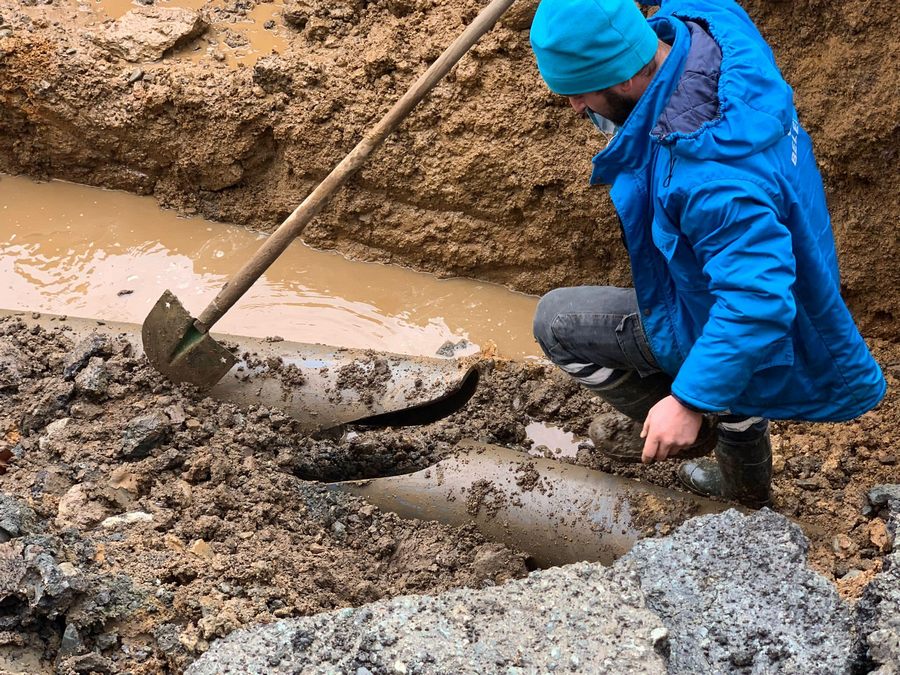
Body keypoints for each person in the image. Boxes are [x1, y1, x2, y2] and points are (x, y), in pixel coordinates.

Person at [528, 0, 886, 508]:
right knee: (729, 352)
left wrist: (689, 400)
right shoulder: (713, 24)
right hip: (793, 257)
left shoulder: (708, 178)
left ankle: (684, 425)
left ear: (625, 78)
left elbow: (756, 302)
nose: (574, 107)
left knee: (555, 323)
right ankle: (743, 480)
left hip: (757, 311)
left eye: (580, 93)